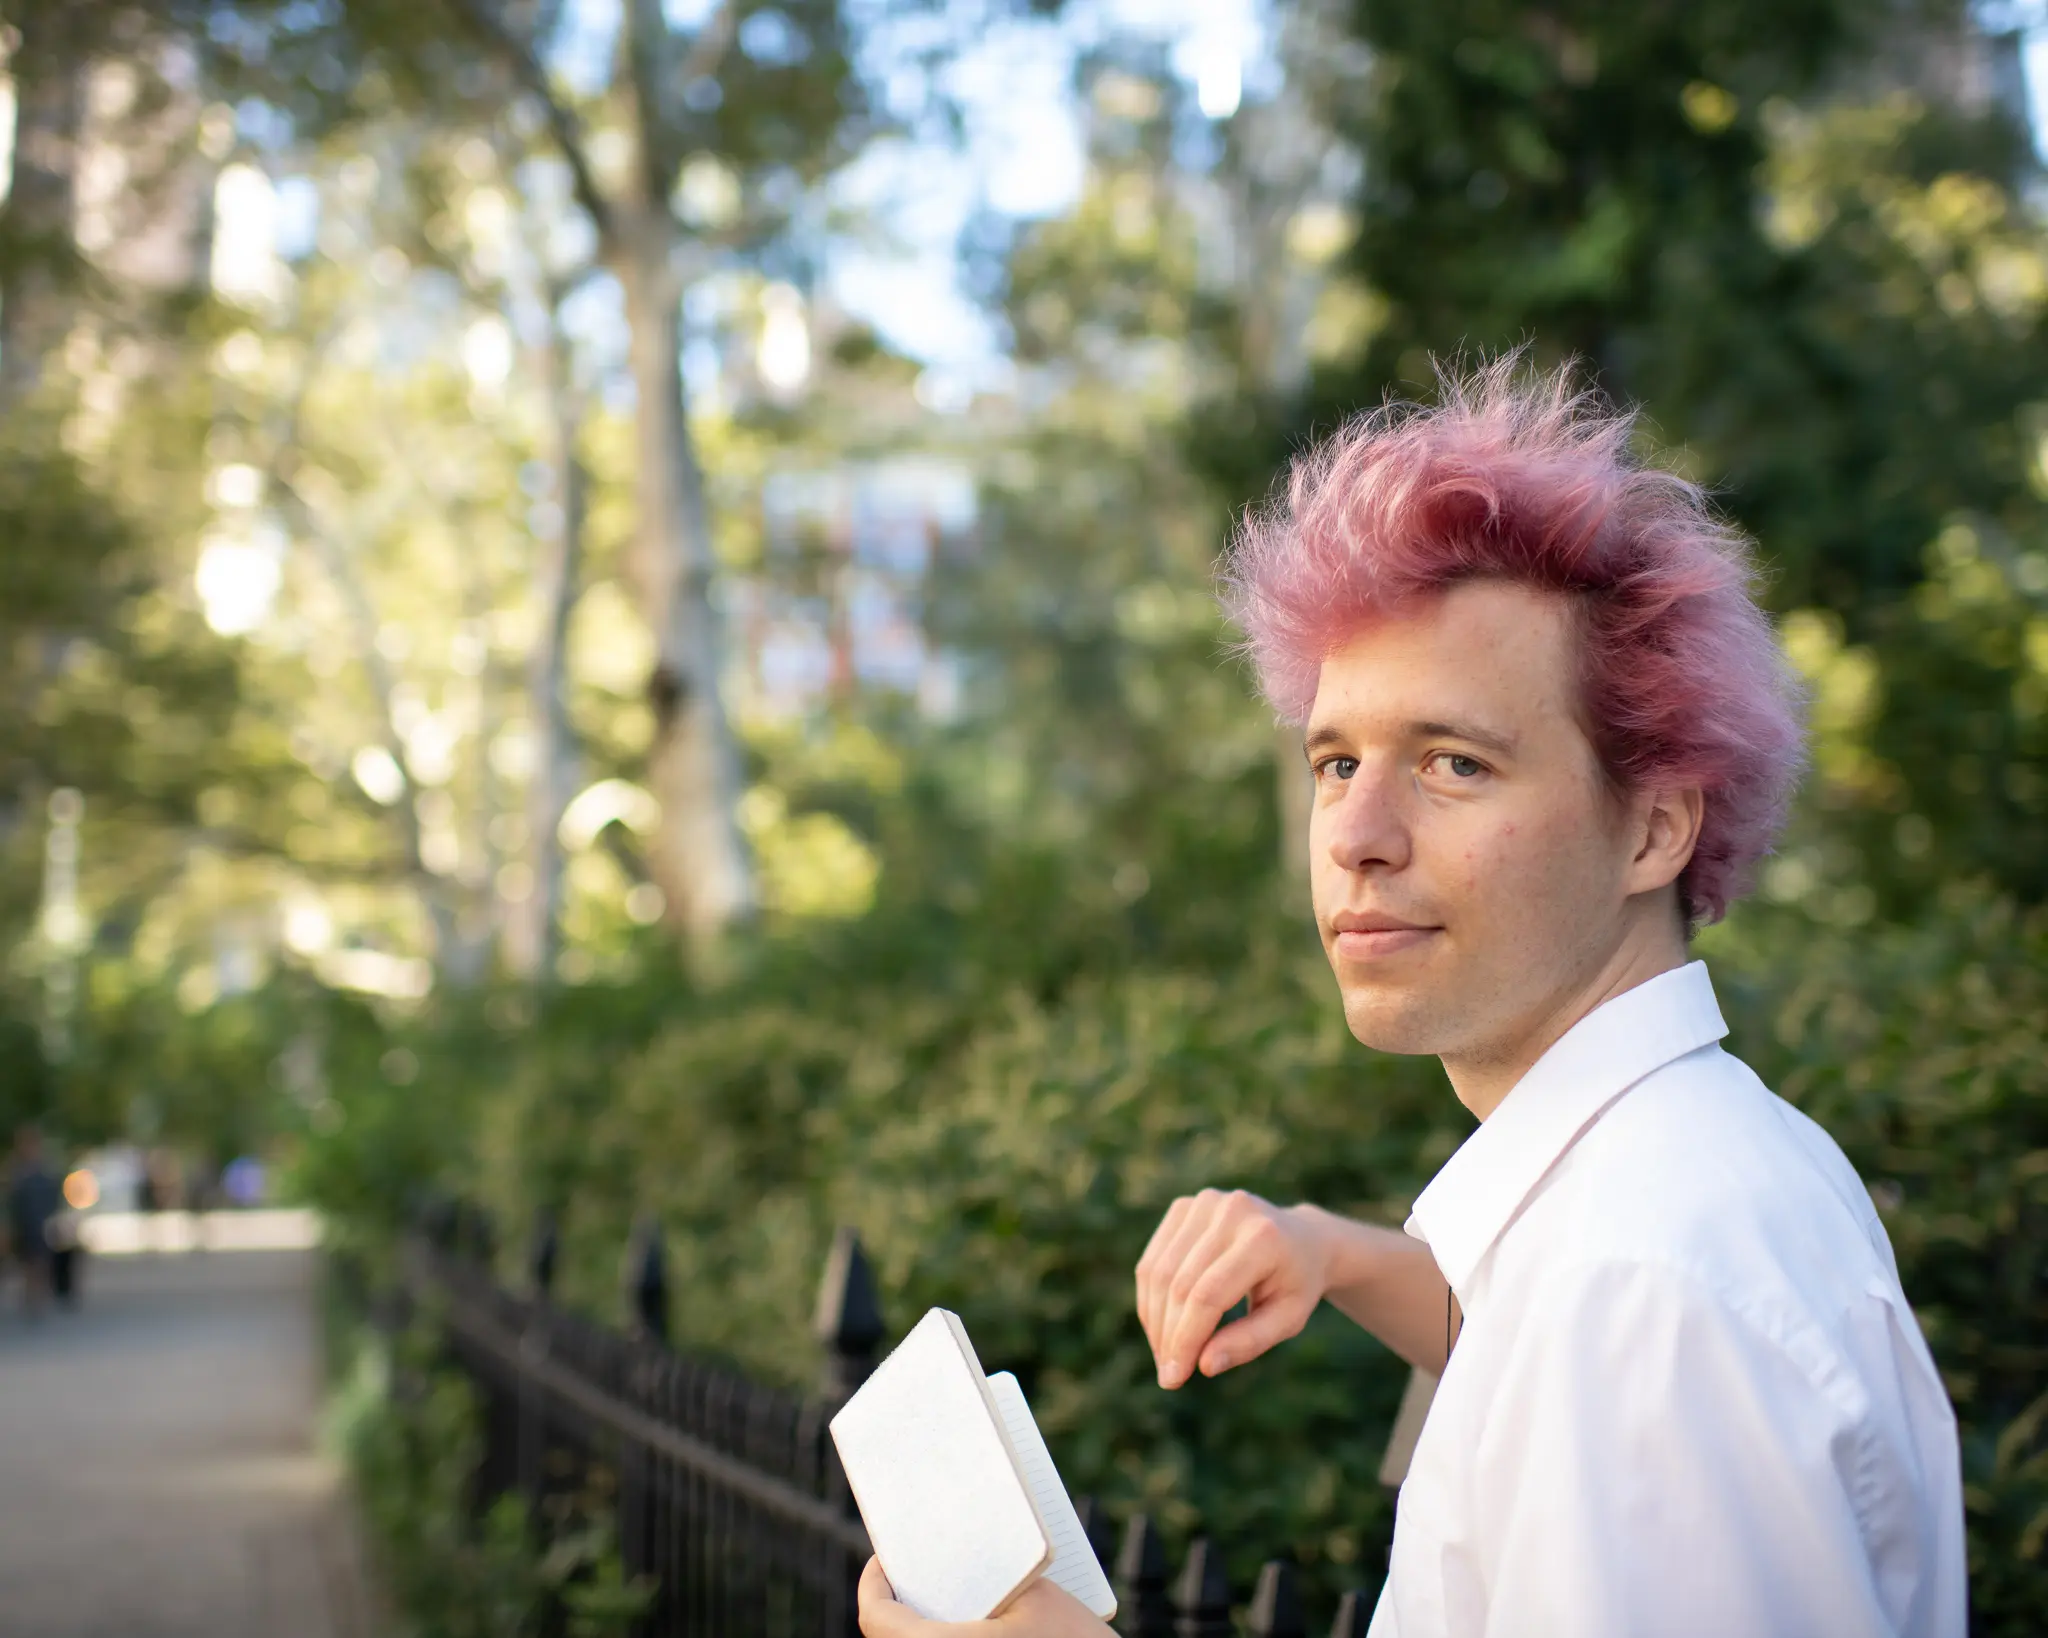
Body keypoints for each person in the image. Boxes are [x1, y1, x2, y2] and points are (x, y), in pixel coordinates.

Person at [857, 360, 1966, 1638]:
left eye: (1452, 762)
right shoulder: (1683, 1175)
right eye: (1336, 760)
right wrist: (1337, 1254)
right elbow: (1530, 1350)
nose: (1356, 836)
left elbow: (1600, 1338)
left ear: (1653, 830)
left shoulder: (1638, 1296)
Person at [8, 1124, 62, 1318]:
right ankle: (31, 1297)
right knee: (28, 1264)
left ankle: (38, 1298)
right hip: (24, 1225)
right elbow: (13, 1202)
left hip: (41, 1224)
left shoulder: (44, 1172)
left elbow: (53, 1199)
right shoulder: (18, 1172)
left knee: (40, 1262)